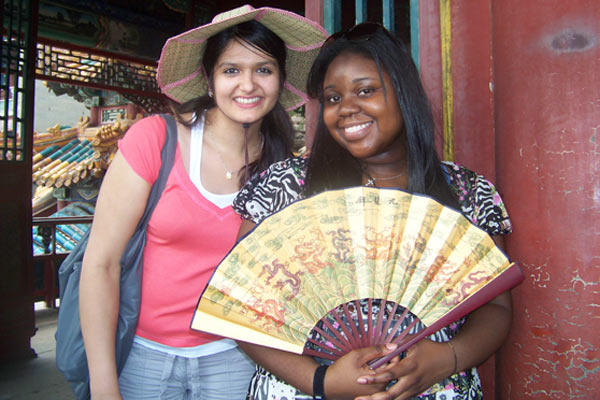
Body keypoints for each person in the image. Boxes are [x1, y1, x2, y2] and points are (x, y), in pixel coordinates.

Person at [233, 22, 513, 400]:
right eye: (332, 98)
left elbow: (495, 304)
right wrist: (322, 382)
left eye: (365, 91)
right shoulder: (285, 187)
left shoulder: (469, 194)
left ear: (405, 94)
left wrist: (444, 359)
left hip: (434, 388)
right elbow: (239, 307)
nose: (346, 109)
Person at [78, 5, 327, 399]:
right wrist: (103, 383)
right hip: (144, 360)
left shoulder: (283, 171)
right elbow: (100, 264)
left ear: (279, 82)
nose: (248, 84)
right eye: (231, 70)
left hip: (238, 360)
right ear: (209, 82)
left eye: (264, 69)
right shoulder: (155, 141)